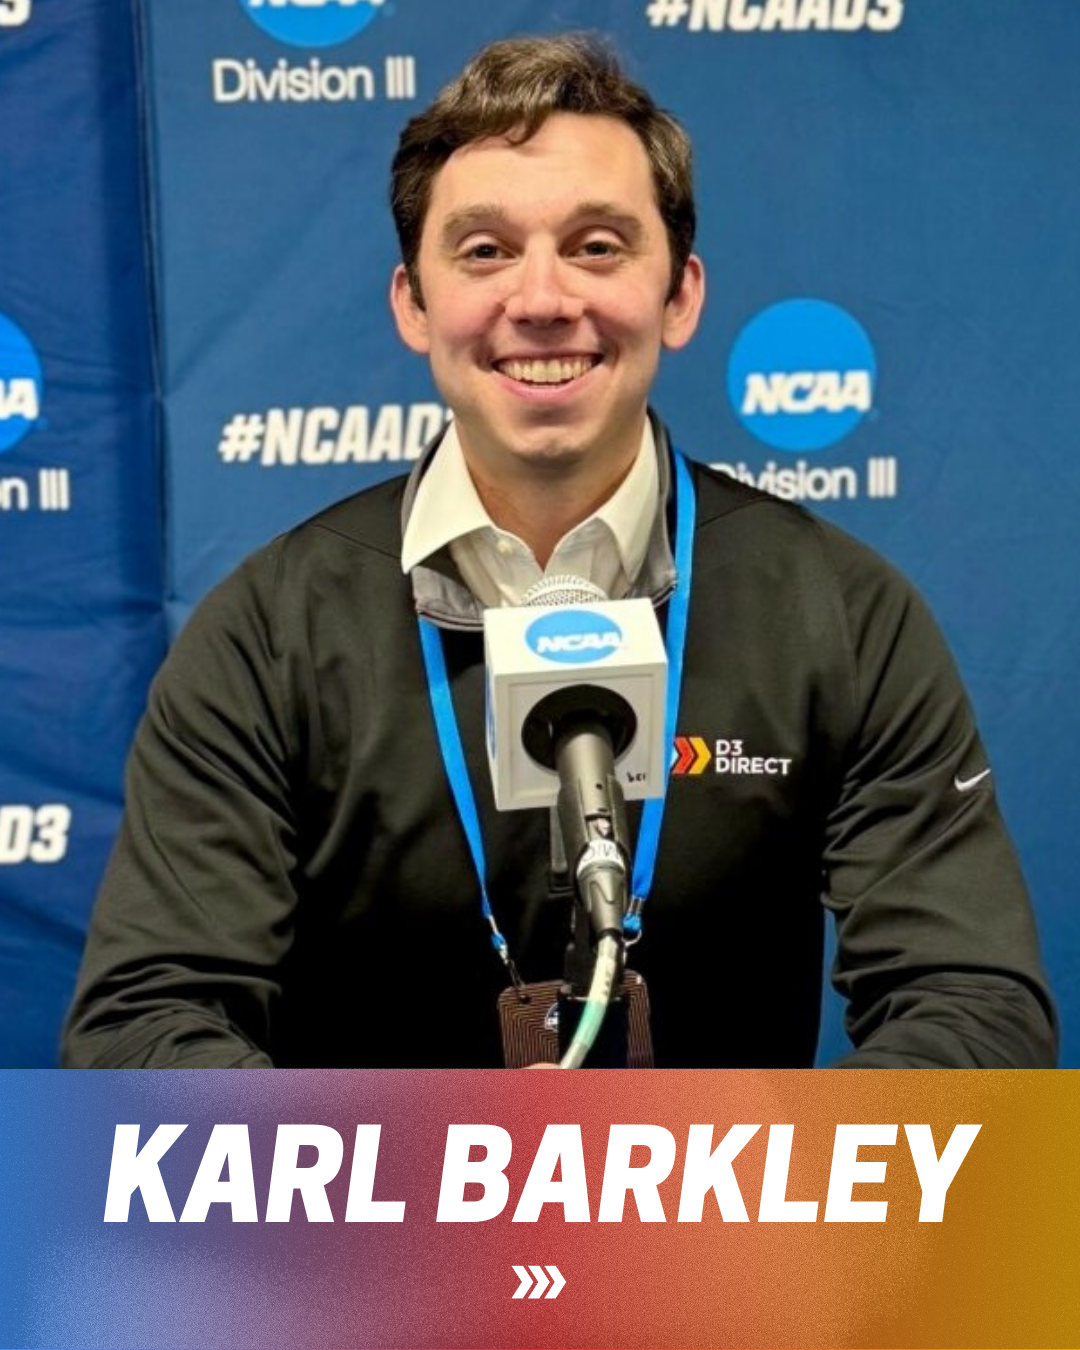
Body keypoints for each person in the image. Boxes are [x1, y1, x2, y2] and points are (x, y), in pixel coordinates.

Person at [62, 33, 1056, 1069]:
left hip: (725, 1231)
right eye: (484, 250)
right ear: (414, 302)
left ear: (680, 294)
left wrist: (740, 1213)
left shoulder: (842, 615)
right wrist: (430, 1205)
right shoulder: (265, 636)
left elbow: (976, 1011)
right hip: (374, 1233)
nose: (540, 301)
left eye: (596, 245)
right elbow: (143, 1027)